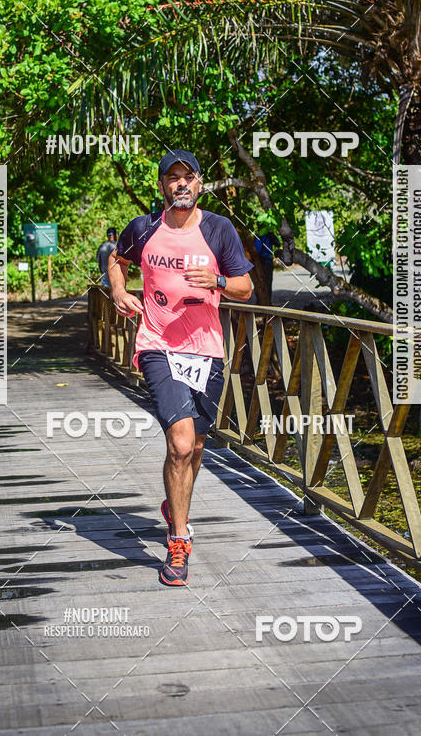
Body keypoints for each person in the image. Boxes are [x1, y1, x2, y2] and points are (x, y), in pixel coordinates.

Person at [108, 150, 253, 586]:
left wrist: (220, 282)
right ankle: (178, 540)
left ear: (200, 183)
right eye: (172, 178)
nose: (181, 184)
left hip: (205, 349)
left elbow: (246, 287)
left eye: (188, 177)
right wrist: (118, 291)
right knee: (181, 442)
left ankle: (176, 505)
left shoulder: (218, 229)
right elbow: (116, 258)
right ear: (162, 187)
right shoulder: (145, 227)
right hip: (157, 344)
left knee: (197, 445)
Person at [253, 232, 280, 304]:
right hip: (262, 262)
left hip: (266, 262)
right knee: (263, 283)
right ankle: (262, 302)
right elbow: (257, 250)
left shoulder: (268, 234)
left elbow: (278, 243)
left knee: (266, 283)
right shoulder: (259, 235)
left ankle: (265, 302)